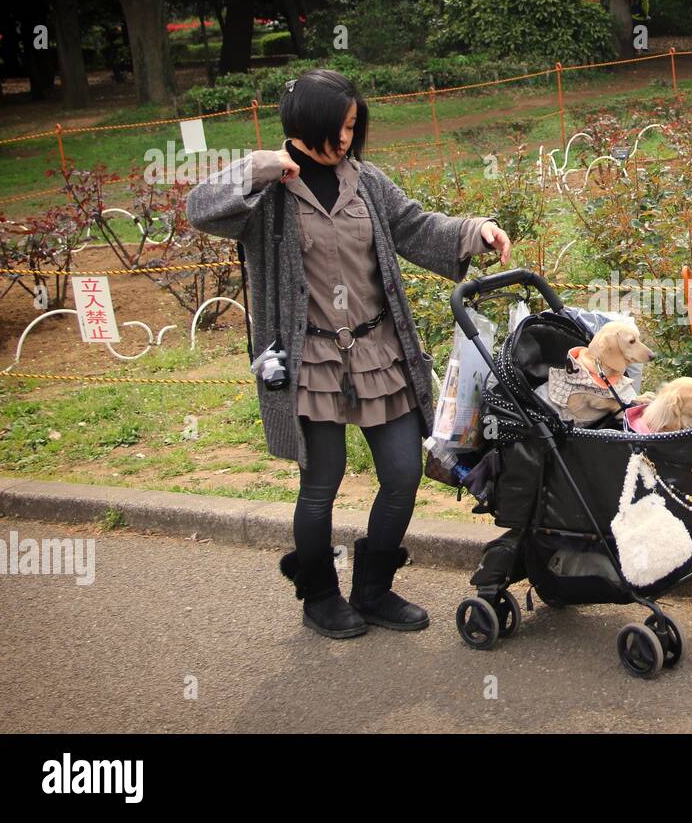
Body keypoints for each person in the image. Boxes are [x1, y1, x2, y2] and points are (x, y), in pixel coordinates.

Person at [186, 68, 511, 640]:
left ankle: (374, 588)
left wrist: (473, 231)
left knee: (404, 472)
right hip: (308, 359)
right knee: (322, 482)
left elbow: (415, 226)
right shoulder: (268, 194)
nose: (345, 141)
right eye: (338, 129)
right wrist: (261, 166)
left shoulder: (366, 181)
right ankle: (319, 594)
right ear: (305, 124)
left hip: (377, 350)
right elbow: (199, 207)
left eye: (353, 128)